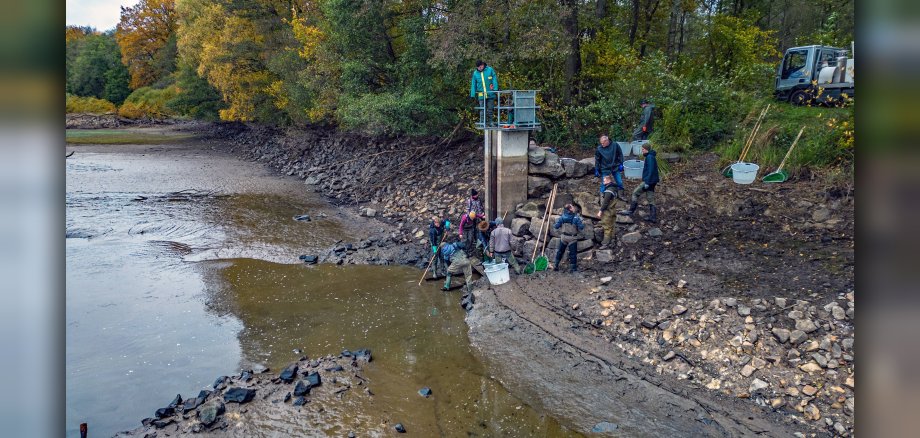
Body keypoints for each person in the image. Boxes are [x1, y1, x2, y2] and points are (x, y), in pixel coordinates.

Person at [620, 142, 660, 223]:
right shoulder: (650, 156)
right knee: (650, 197)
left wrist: (647, 182)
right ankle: (653, 217)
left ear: (647, 149)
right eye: (642, 149)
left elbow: (651, 170)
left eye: (643, 149)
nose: (642, 151)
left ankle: (631, 211)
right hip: (653, 181)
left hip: (649, 181)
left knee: (635, 193)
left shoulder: (649, 157)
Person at [552, 204, 585, 273]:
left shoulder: (562, 217)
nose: (574, 208)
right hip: (572, 238)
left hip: (563, 237)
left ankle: (556, 265)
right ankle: (573, 269)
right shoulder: (576, 218)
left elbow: (556, 226)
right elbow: (581, 227)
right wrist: (582, 222)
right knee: (573, 254)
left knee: (560, 252)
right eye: (572, 207)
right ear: (570, 209)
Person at [470, 60, 498, 127]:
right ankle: (482, 123)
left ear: (483, 65)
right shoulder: (475, 73)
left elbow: (494, 78)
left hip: (490, 93)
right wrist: (473, 93)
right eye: (478, 67)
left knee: (490, 109)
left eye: (480, 66)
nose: (479, 68)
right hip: (481, 94)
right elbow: (473, 83)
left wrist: (495, 88)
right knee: (482, 109)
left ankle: (490, 122)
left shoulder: (490, 69)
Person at [594, 134, 624, 198]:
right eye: (601, 143)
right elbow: (597, 159)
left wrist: (621, 163)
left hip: (615, 166)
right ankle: (602, 194)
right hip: (605, 167)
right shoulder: (599, 149)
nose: (602, 145)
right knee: (604, 183)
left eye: (603, 143)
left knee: (619, 181)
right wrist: (597, 168)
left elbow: (620, 154)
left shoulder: (615, 145)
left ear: (607, 141)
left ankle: (620, 194)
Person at [597, 174, 618, 249]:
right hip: (613, 210)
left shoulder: (608, 191)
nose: (603, 181)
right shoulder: (614, 188)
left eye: (604, 180)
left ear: (608, 180)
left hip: (608, 211)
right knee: (612, 225)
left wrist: (600, 211)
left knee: (607, 226)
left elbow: (605, 202)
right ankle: (612, 240)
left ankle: (605, 243)